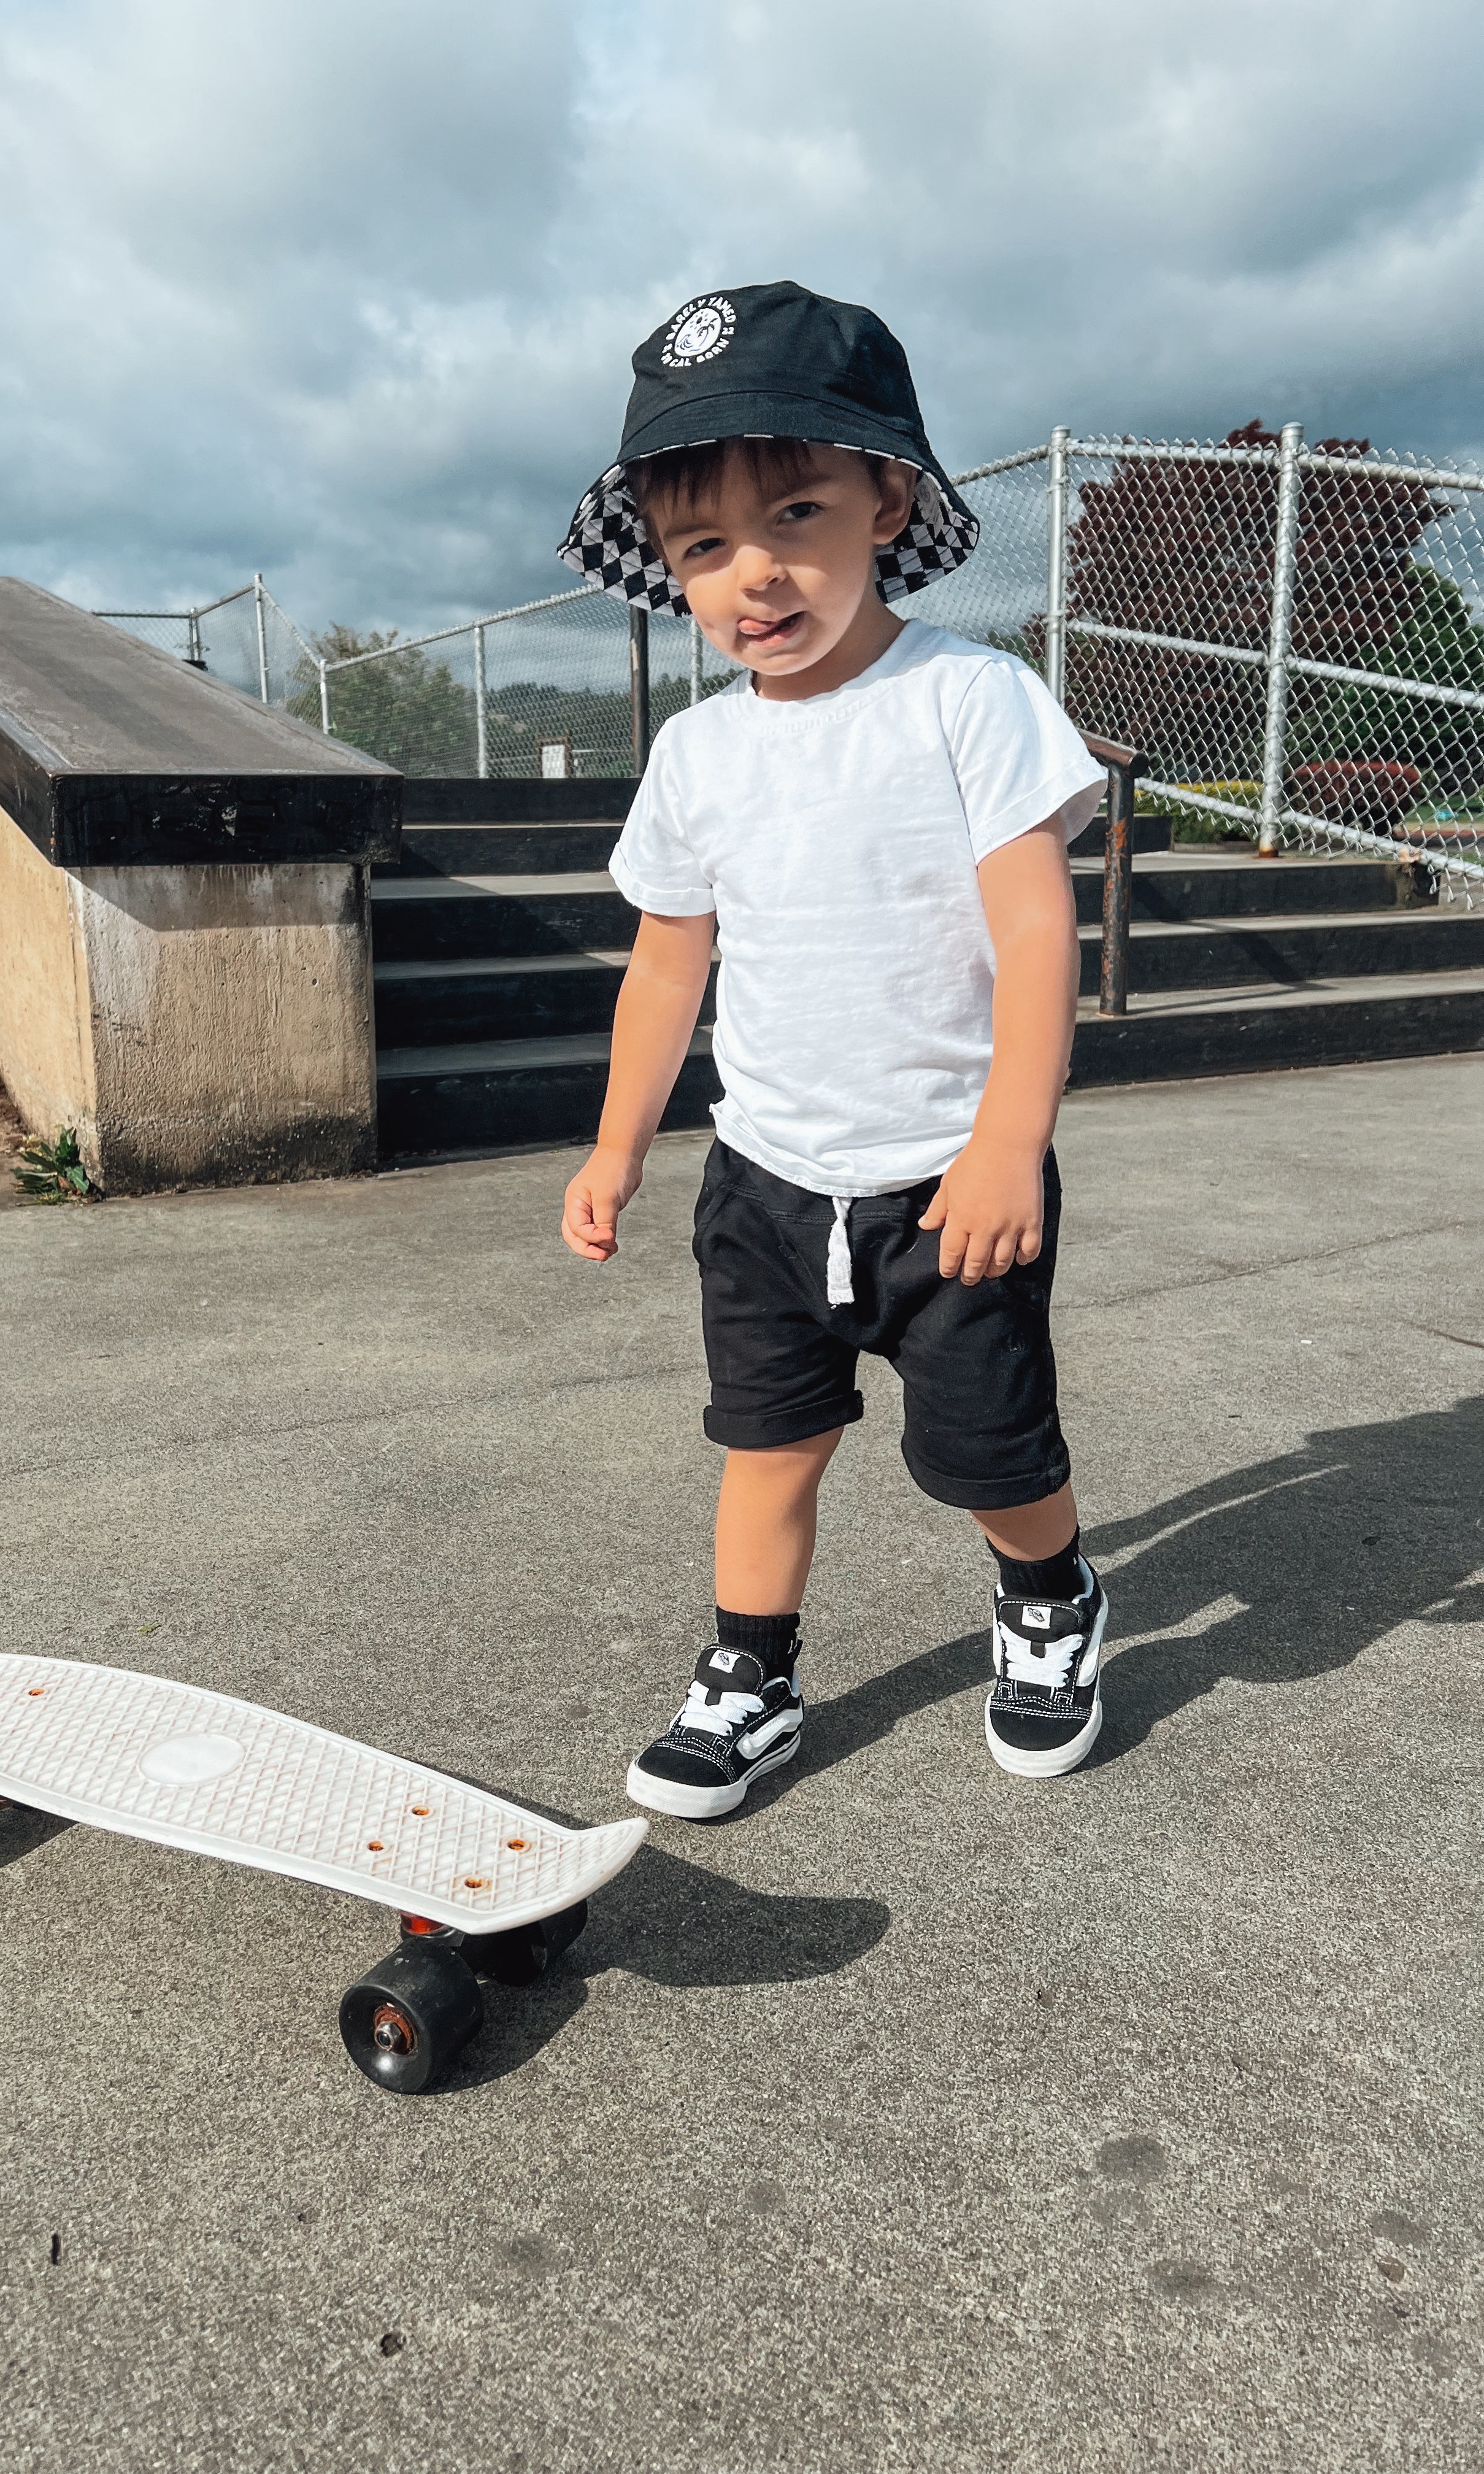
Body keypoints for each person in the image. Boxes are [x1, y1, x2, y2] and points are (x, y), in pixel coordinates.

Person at [555, 282, 1110, 1819]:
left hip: (950, 1179)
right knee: (767, 1443)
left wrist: (1008, 1141)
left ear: (887, 500)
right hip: (765, 1181)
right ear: (667, 572)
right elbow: (669, 962)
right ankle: (751, 1672)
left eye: (795, 513)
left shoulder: (968, 698)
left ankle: (1053, 1596)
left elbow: (1038, 931)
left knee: (993, 1456)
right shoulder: (698, 751)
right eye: (703, 548)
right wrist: (617, 1148)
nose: (756, 574)